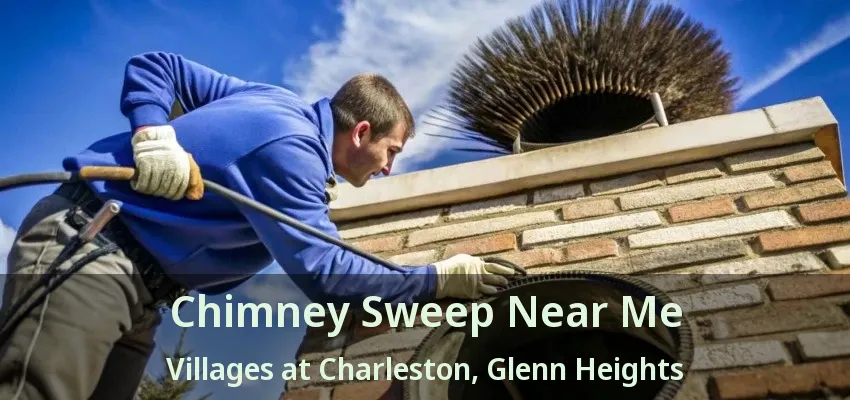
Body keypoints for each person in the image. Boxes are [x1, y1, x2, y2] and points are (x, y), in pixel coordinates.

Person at [0, 51, 517, 400]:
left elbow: (162, 67)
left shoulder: (272, 103)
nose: (389, 168)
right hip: (92, 244)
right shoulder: (291, 147)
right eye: (391, 152)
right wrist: (437, 279)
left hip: (139, 289)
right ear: (361, 132)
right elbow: (328, 274)